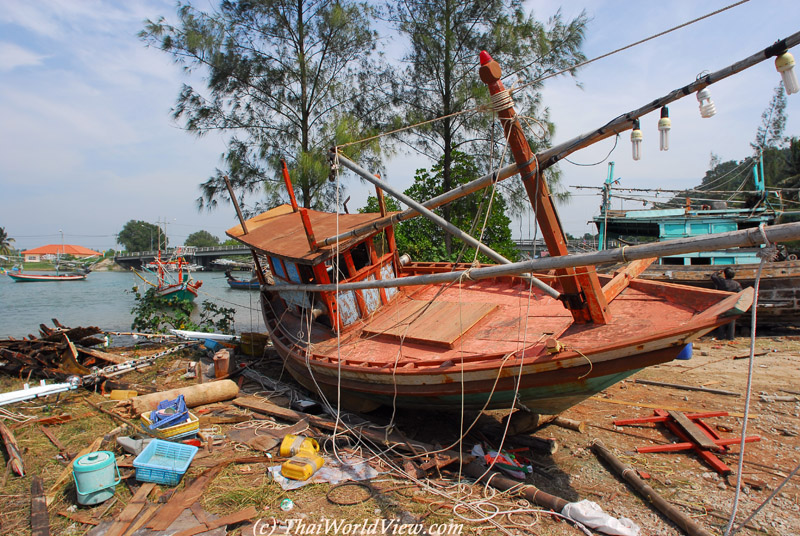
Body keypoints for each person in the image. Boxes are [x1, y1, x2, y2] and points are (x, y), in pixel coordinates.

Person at [710, 267, 741, 339]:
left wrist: (718, 272)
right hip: (732, 303)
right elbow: (740, 292)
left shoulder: (721, 281)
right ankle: (730, 337)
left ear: (725, 275)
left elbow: (713, 276)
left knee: (721, 320)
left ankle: (720, 337)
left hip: (722, 303)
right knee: (731, 321)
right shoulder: (736, 284)